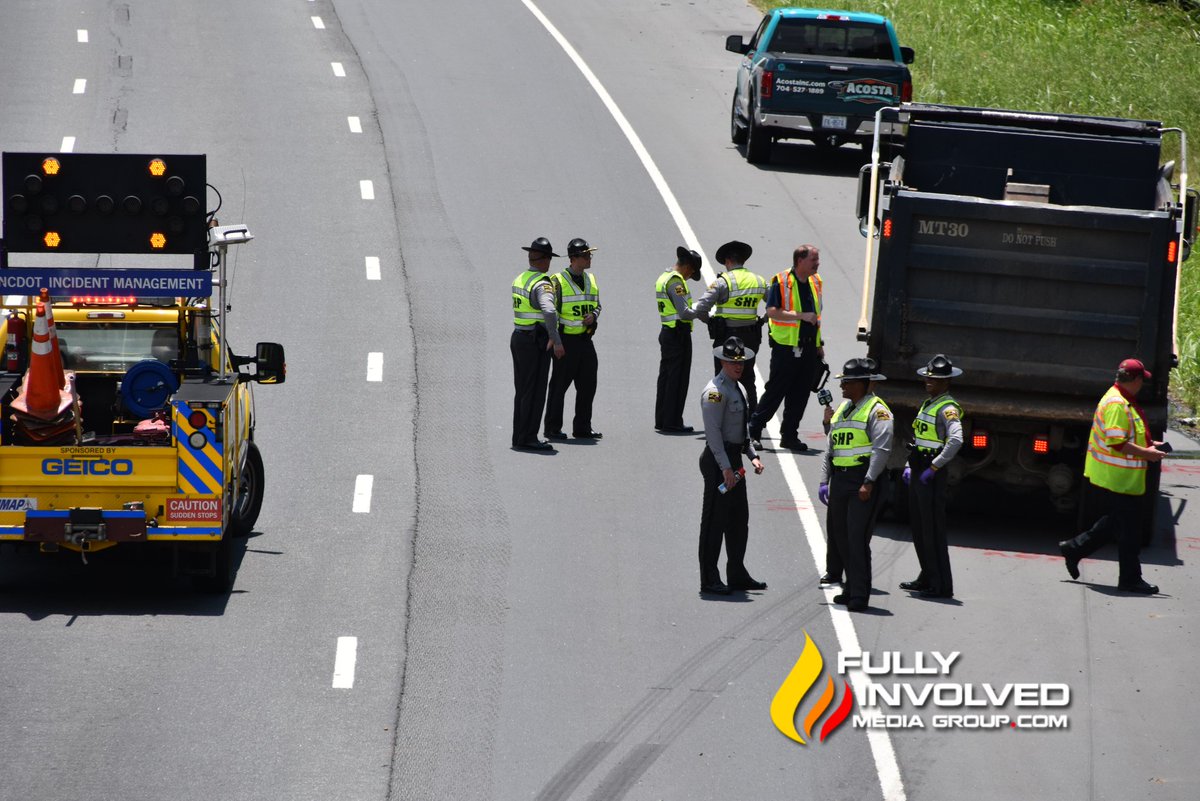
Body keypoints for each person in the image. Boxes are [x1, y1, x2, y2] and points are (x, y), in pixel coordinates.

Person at [1059, 358, 1165, 594]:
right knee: (1129, 531)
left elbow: (1126, 436)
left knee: (1118, 523)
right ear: (1135, 380)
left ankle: (1074, 549)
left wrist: (1150, 444)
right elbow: (1117, 443)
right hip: (1118, 476)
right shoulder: (1118, 404)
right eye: (1142, 380)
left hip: (1122, 476)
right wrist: (1146, 454)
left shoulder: (1120, 398)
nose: (1142, 385)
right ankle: (1130, 579)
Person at [816, 358, 893, 611]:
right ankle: (849, 589)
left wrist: (869, 481)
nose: (842, 387)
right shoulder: (843, 408)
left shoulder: (877, 410)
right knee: (841, 537)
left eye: (847, 382)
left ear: (862, 384)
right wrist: (824, 480)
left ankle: (859, 595)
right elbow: (831, 446)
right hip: (840, 479)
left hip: (862, 480)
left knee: (856, 538)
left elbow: (881, 449)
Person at [698, 336, 767, 595]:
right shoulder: (715, 392)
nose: (738, 366)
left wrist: (751, 455)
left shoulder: (738, 387)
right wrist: (726, 469)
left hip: (734, 459)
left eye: (741, 361)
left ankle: (737, 573)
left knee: (739, 520)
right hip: (719, 462)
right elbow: (714, 434)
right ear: (722, 361)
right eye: (732, 362)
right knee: (714, 521)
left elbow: (741, 430)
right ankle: (709, 578)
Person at [899, 354, 964, 599]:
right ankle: (926, 575)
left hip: (930, 472)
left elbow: (956, 439)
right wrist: (908, 465)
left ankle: (940, 585)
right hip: (919, 468)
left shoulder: (947, 408)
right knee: (919, 527)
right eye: (927, 377)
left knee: (932, 529)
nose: (928, 381)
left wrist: (935, 467)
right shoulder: (930, 403)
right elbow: (920, 438)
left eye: (934, 379)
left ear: (946, 382)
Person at [748, 245, 824, 452]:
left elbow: (817, 315)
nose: (817, 264)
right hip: (786, 348)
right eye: (813, 260)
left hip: (808, 348)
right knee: (776, 391)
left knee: (800, 394)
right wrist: (800, 315)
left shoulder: (816, 281)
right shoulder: (781, 281)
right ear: (800, 260)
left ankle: (789, 435)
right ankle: (754, 430)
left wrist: (819, 345)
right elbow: (772, 312)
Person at [692, 240, 767, 416]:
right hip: (750, 337)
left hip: (725, 337)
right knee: (748, 379)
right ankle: (751, 423)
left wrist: (711, 321)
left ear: (727, 261)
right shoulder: (759, 281)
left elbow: (701, 308)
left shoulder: (723, 282)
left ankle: (718, 415)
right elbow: (775, 306)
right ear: (744, 260)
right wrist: (762, 320)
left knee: (721, 379)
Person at [544, 238, 603, 440]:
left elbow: (598, 305)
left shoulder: (591, 280)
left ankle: (582, 427)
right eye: (586, 255)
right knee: (559, 386)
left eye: (589, 255)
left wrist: (593, 316)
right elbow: (551, 313)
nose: (589, 258)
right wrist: (556, 341)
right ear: (573, 258)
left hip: (585, 341)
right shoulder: (558, 281)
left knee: (588, 385)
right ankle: (552, 428)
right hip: (565, 342)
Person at [511, 237, 565, 451]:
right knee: (535, 391)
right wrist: (556, 338)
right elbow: (549, 310)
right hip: (536, 341)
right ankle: (529, 437)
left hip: (519, 337)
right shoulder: (542, 283)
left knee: (522, 390)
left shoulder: (521, 278)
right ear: (544, 260)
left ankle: (520, 436)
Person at [655, 246, 708, 433]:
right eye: (691, 272)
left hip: (669, 332)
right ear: (687, 267)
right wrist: (703, 311)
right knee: (677, 379)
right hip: (678, 334)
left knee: (666, 377)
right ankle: (672, 421)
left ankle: (662, 419)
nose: (689, 276)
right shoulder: (675, 282)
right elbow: (684, 312)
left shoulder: (664, 277)